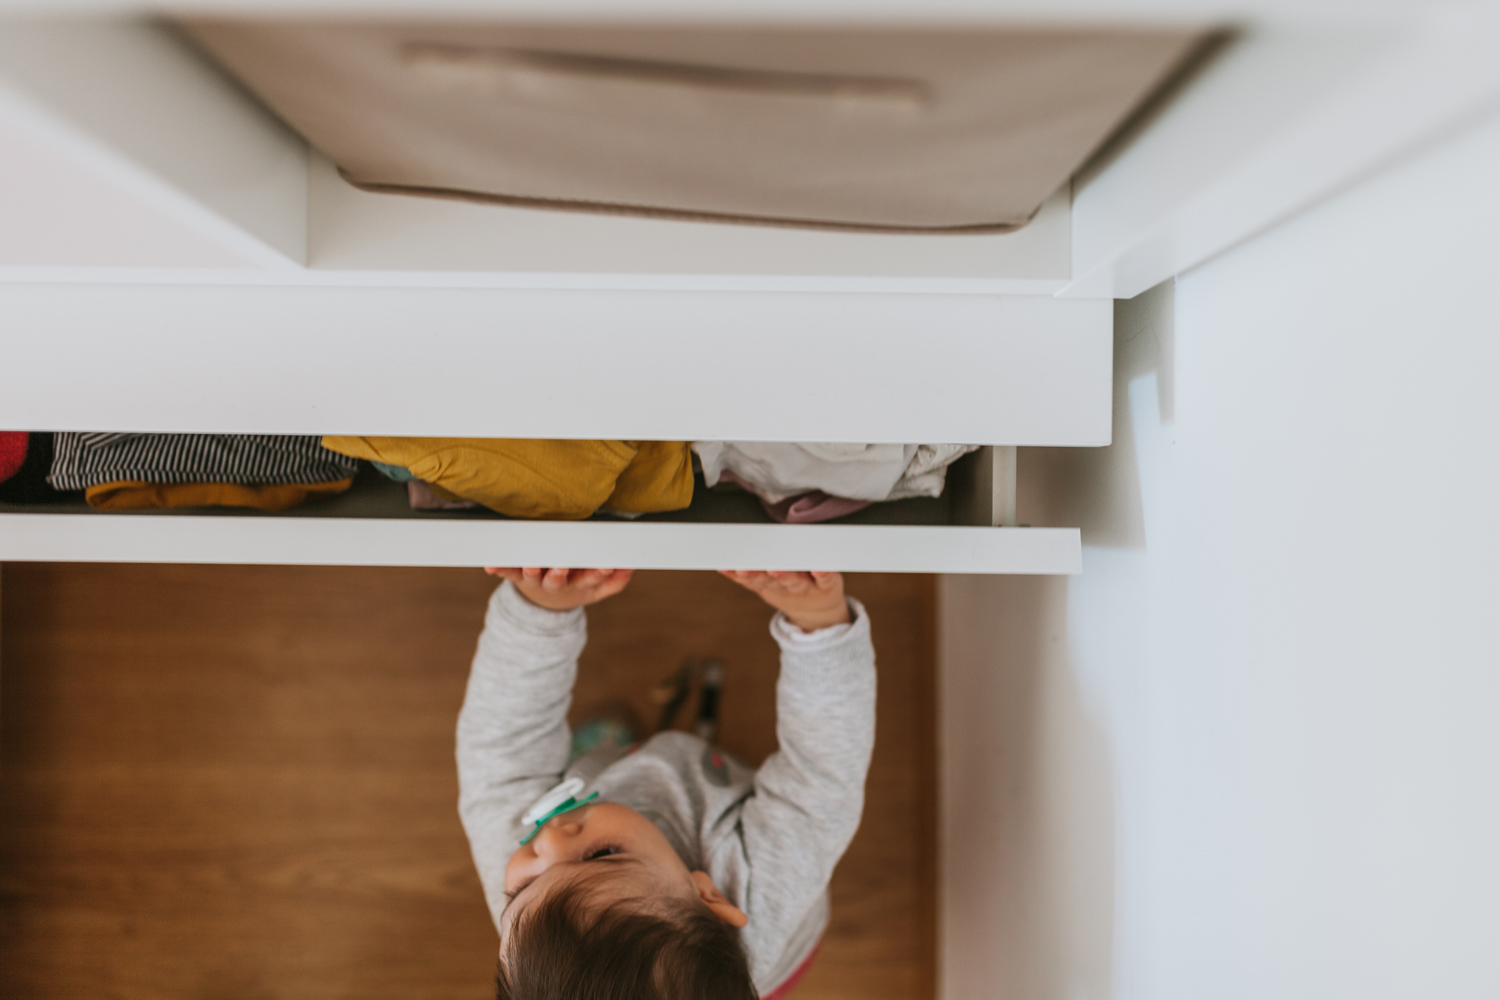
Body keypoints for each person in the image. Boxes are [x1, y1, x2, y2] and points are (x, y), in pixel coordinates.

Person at [458, 566, 876, 1000]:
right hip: (774, 955)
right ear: (706, 894)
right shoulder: (767, 884)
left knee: (545, 770)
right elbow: (819, 775)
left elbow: (502, 745)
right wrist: (819, 625)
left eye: (523, 889)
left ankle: (613, 755)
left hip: (611, 775)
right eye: (601, 856)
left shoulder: (528, 921)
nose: (549, 840)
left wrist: (540, 615)